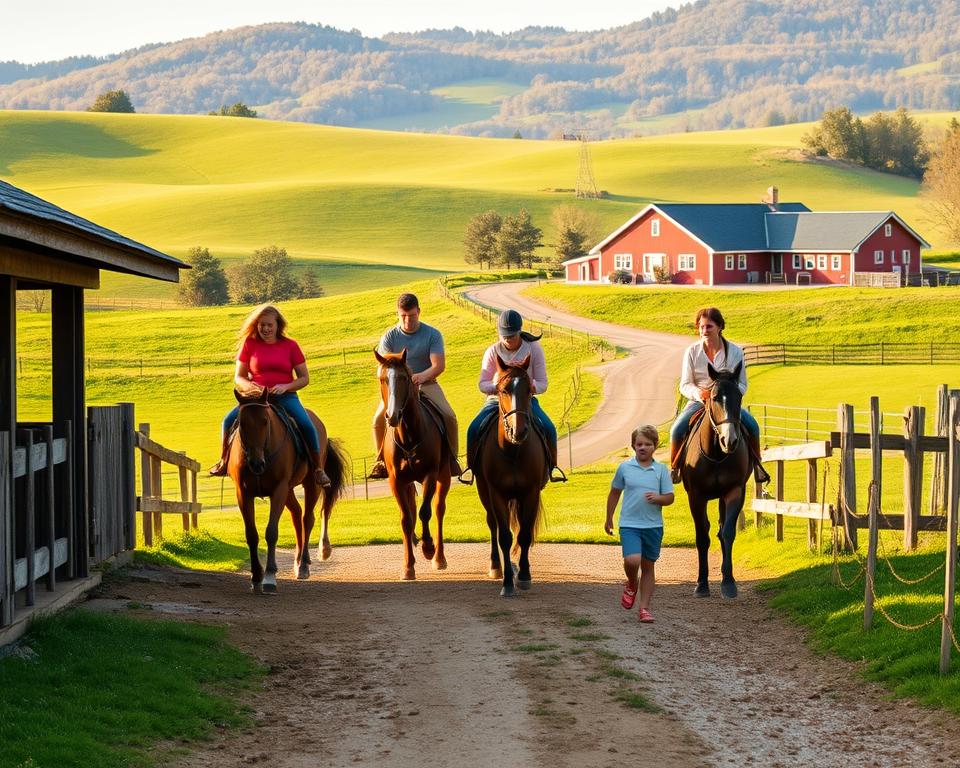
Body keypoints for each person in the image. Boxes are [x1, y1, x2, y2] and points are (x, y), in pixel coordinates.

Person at [208, 303, 330, 487]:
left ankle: (318, 470)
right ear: (256, 325)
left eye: (269, 325)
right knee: (227, 421)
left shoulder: (291, 346)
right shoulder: (249, 344)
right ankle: (224, 462)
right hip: (256, 399)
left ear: (277, 326)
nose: (265, 329)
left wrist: (286, 386)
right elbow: (239, 377)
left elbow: (304, 378)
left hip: (285, 397)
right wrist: (250, 387)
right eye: (262, 325)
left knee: (307, 425)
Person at [668, 306, 769, 484]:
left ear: (720, 327)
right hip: (699, 401)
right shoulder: (692, 352)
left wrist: (732, 396)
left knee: (753, 426)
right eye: (701, 327)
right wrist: (700, 393)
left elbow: (742, 383)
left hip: (725, 402)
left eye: (709, 326)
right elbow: (684, 384)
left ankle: (758, 467)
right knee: (676, 429)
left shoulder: (735, 351)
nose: (704, 331)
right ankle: (674, 468)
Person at [368, 292, 462, 480]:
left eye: (411, 316)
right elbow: (385, 367)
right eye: (403, 316)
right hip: (398, 388)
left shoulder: (432, 334)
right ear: (398, 314)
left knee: (449, 415)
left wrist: (420, 376)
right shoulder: (389, 337)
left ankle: (452, 459)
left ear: (419, 312)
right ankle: (380, 461)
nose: (408, 320)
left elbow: (438, 365)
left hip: (426, 383)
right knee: (378, 419)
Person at [464, 308, 563, 482]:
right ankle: (470, 469)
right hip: (497, 400)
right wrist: (498, 387)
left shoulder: (533, 349)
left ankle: (552, 468)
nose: (508, 340)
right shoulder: (493, 351)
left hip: (525, 401)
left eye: (511, 336)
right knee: (473, 428)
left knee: (549, 428)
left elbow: (543, 383)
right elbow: (482, 383)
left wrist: (528, 386)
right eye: (504, 336)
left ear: (519, 331)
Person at [605, 424, 674, 623]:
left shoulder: (661, 470)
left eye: (647, 444)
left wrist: (658, 498)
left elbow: (670, 497)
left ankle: (644, 608)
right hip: (629, 524)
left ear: (655, 446)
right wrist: (609, 518)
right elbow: (615, 492)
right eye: (639, 444)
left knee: (648, 566)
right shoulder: (625, 468)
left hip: (653, 526)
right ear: (633, 446)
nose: (643, 447)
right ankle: (631, 584)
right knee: (632, 560)